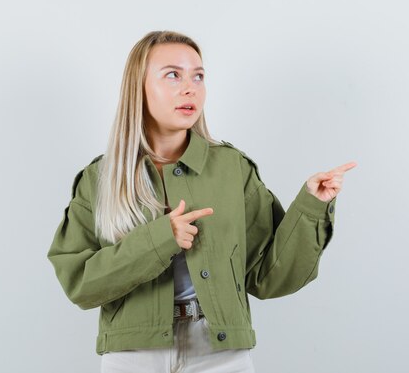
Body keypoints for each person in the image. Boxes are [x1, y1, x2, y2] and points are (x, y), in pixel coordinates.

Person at [47, 30, 357, 373]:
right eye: (172, 75)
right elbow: (80, 285)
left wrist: (311, 205)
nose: (189, 87)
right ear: (139, 87)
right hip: (133, 355)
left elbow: (269, 276)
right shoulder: (100, 178)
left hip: (220, 353)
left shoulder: (232, 168)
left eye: (198, 76)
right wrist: (163, 238)